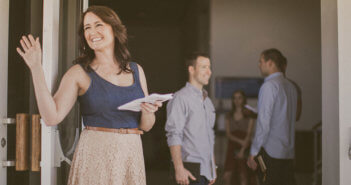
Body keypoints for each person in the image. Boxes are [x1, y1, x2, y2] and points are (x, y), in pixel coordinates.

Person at [16, 6, 162, 185]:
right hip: (96, 155)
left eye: (98, 25)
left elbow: (145, 126)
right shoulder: (79, 73)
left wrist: (149, 111)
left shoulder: (136, 70)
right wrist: (36, 68)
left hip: (130, 155)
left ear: (113, 29)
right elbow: (51, 116)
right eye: (87, 28)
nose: (92, 32)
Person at [247, 48, 297, 185]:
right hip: (288, 153)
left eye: (261, 61)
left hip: (271, 152)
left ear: (270, 63)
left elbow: (263, 123)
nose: (259, 65)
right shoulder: (291, 87)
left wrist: (253, 152)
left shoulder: (269, 86)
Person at [165, 53, 216, 185]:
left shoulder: (208, 102)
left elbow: (209, 136)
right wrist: (179, 168)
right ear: (191, 69)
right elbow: (174, 134)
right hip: (188, 172)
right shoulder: (180, 98)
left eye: (209, 67)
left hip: (206, 172)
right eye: (204, 67)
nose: (209, 72)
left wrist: (213, 168)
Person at [223, 90, 256, 185]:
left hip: (245, 147)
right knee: (227, 175)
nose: (237, 100)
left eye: (239, 98)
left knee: (243, 176)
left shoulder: (250, 115)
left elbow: (249, 135)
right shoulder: (229, 115)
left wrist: (242, 150)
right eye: (234, 98)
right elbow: (228, 134)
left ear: (244, 99)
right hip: (232, 146)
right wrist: (239, 141)